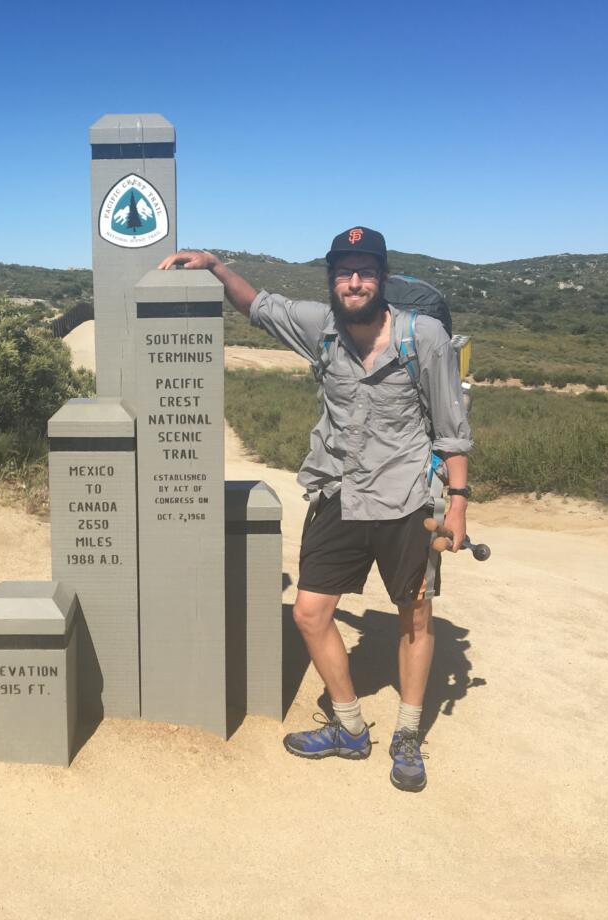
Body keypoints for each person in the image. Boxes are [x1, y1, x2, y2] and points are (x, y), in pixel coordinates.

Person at [159, 227, 472, 792]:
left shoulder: (420, 337)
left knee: (415, 617)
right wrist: (215, 265)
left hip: (405, 501)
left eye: (365, 271)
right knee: (309, 612)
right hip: (339, 492)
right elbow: (258, 307)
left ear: (382, 278)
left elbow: (452, 429)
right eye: (344, 272)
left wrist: (458, 507)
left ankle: (406, 735)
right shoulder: (320, 327)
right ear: (333, 279)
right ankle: (350, 728)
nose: (354, 282)